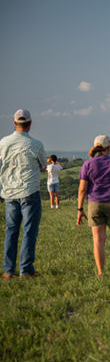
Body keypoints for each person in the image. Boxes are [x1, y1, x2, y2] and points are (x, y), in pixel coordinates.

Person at [0, 109, 47, 279]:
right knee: (29, 231)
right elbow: (43, 166)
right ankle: (26, 270)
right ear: (30, 124)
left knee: (11, 230)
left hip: (9, 192)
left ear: (14, 123)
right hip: (29, 190)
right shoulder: (36, 144)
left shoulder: (3, 142)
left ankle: (8, 270)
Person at [77, 135, 110, 276]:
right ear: (108, 147)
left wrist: (80, 209)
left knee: (98, 241)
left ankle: (100, 272)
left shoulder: (87, 164)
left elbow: (82, 189)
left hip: (95, 204)